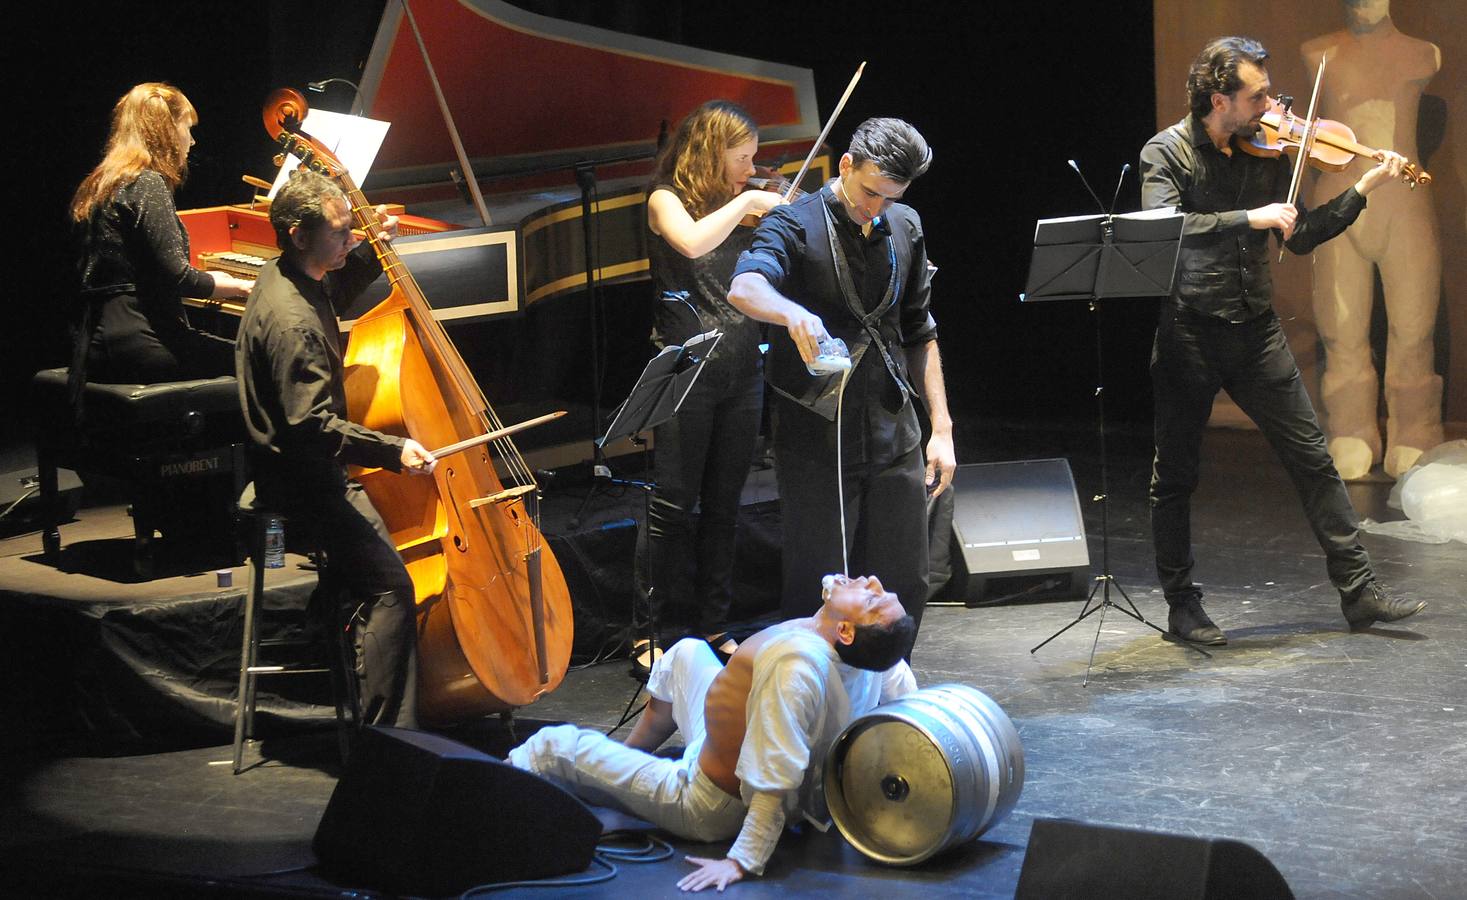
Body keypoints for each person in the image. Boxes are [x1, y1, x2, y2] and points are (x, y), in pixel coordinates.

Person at [1139, 36, 1425, 646]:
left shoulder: (1266, 150)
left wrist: (1366, 184)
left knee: (1313, 459)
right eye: (1259, 95)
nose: (1275, 107)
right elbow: (1163, 232)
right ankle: (1183, 607)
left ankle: (1359, 591)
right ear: (1221, 99)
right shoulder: (1166, 153)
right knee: (1176, 477)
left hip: (1255, 330)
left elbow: (1298, 235)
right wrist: (1250, 218)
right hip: (1190, 330)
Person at [509, 573, 917, 891]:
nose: (871, 582)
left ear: (846, 631)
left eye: (872, 598)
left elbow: (775, 772)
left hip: (708, 802)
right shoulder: (874, 656)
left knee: (551, 747)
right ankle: (623, 773)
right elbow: (909, 705)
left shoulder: (797, 665)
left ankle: (485, 802)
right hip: (720, 750)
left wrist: (742, 860)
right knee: (686, 653)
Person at [727, 118, 954, 639]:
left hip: (894, 429)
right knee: (819, 588)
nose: (875, 208)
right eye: (869, 192)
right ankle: (811, 706)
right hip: (816, 433)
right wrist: (791, 313)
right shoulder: (795, 221)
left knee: (904, 587)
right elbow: (745, 286)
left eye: (890, 198)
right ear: (846, 165)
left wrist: (941, 427)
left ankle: (886, 708)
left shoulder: (906, 226)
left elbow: (920, 332)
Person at [236, 169, 437, 728]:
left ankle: (334, 616)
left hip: (295, 471)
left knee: (379, 565)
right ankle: (390, 741)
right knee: (394, 587)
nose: (351, 238)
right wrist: (393, 449)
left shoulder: (286, 277)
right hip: (303, 488)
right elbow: (313, 427)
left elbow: (330, 293)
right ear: (300, 233)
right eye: (341, 231)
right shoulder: (293, 321)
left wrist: (371, 253)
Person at [637, 101, 785, 662]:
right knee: (673, 503)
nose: (751, 169)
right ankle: (651, 631)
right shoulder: (665, 200)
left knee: (725, 506)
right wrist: (749, 200)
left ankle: (713, 623)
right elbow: (694, 243)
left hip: (744, 367)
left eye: (753, 160)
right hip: (687, 369)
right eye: (741, 159)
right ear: (710, 152)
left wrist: (768, 202)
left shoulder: (738, 202)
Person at [1302, 0, 1444, 479]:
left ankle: (1416, 429)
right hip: (1340, 196)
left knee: (1413, 326)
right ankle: (1350, 427)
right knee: (1340, 330)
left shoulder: (1424, 53)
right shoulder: (1317, 51)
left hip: (1404, 202)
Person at [70, 82, 253, 388]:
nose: (191, 141)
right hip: (141, 341)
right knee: (258, 361)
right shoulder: (146, 183)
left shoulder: (99, 183)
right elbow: (178, 277)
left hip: (90, 344)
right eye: (187, 128)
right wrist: (239, 285)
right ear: (166, 131)